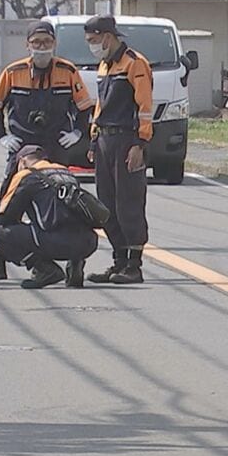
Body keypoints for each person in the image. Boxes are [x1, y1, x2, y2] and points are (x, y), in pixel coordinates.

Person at [0, 20, 94, 279]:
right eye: (36, 43)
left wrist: (78, 132)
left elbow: (84, 106)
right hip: (22, 148)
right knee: (8, 202)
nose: (41, 48)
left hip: (56, 147)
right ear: (27, 45)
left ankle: (75, 262)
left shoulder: (67, 71)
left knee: (67, 202)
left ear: (54, 44)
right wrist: (1, 136)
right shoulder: (13, 72)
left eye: (46, 42)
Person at [84, 15, 152, 285]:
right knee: (107, 204)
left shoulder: (134, 63)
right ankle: (119, 261)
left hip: (127, 140)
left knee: (129, 203)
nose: (92, 46)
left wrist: (140, 143)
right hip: (104, 140)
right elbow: (100, 106)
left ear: (108, 37)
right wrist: (93, 140)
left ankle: (134, 265)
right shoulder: (104, 65)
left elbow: (145, 107)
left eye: (93, 41)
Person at [0, 145, 99, 289]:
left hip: (55, 242)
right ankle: (75, 265)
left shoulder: (25, 175)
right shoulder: (65, 172)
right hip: (88, 242)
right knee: (68, 223)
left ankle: (45, 269)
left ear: (22, 161)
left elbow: (4, 216)